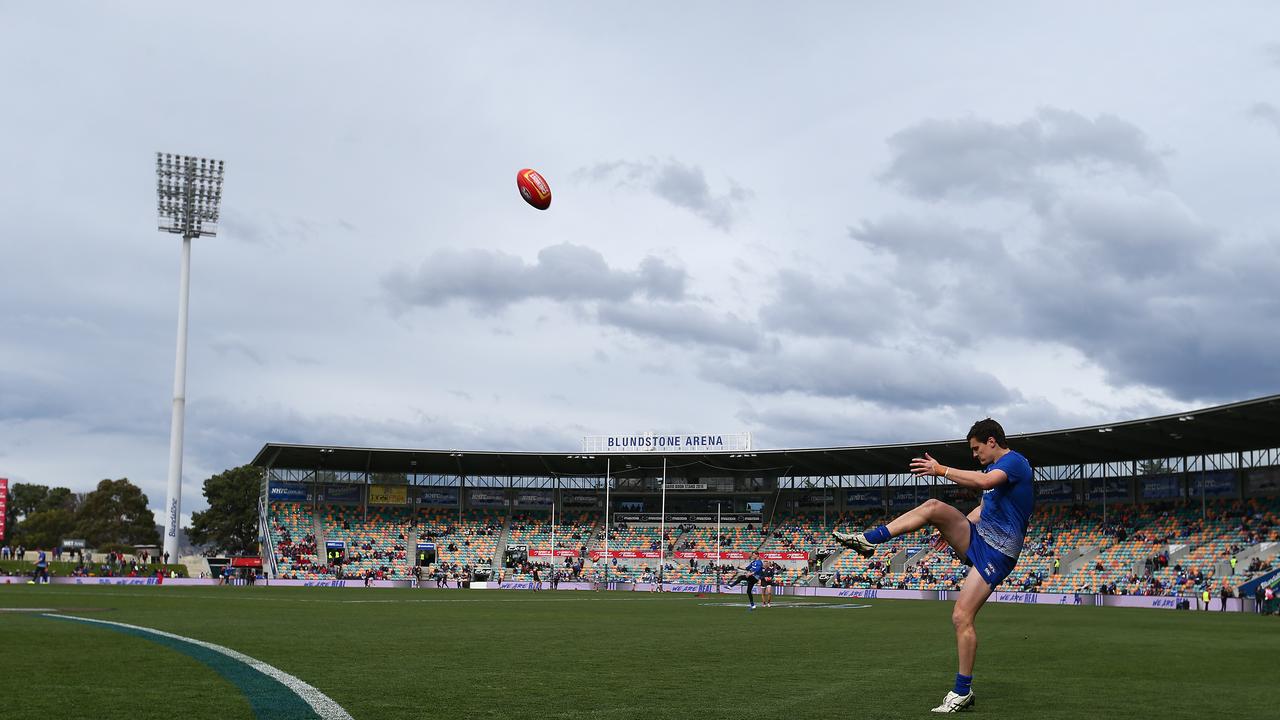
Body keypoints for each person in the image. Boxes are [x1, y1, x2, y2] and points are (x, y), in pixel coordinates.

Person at [833, 418, 1033, 714]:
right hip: (979, 538)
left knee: (961, 617)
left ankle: (962, 692)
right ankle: (869, 540)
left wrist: (941, 470)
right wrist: (958, 526)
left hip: (998, 552)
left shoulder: (1014, 462)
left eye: (976, 449)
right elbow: (983, 507)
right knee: (933, 508)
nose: (974, 455)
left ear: (992, 441)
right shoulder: (993, 469)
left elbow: (984, 483)